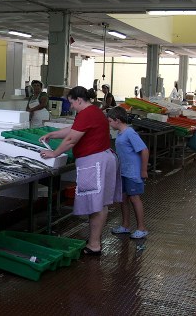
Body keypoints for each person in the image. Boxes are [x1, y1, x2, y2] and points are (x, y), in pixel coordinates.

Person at [40, 86, 121, 255]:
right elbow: (74, 130)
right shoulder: (94, 111)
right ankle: (94, 241)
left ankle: (94, 245)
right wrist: (52, 135)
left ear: (79, 100)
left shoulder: (87, 113)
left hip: (95, 162)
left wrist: (54, 153)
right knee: (100, 204)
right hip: (104, 158)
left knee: (96, 205)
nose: (71, 107)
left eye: (71, 103)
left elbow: (71, 139)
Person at [107, 107, 149, 239]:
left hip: (133, 172)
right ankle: (125, 225)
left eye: (110, 121)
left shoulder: (129, 133)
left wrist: (143, 170)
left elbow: (144, 150)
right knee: (123, 198)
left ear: (117, 120)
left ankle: (141, 228)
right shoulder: (120, 133)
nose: (109, 124)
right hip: (124, 172)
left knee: (134, 198)